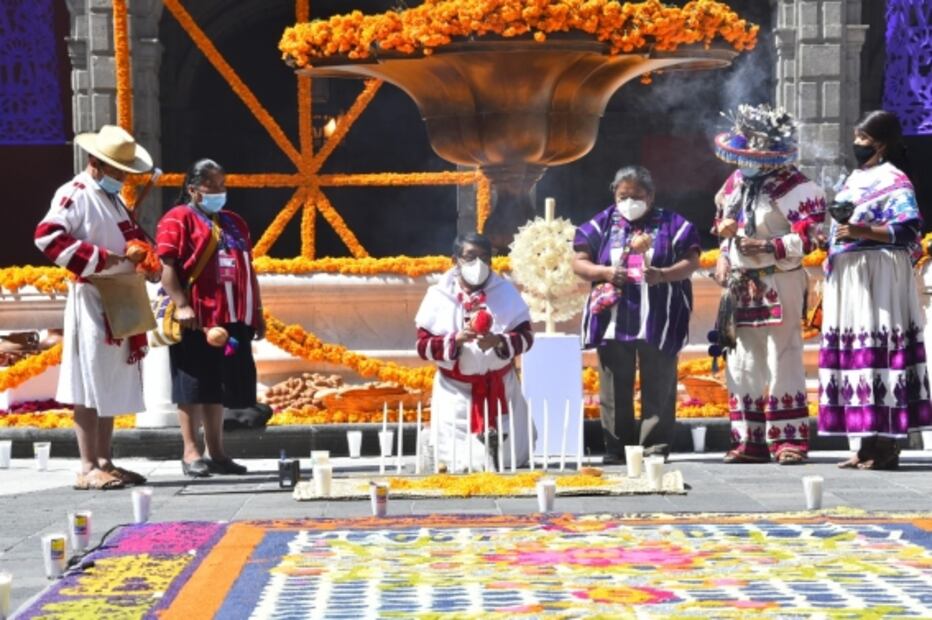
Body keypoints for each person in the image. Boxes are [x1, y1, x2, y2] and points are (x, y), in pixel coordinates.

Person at [34, 125, 154, 490]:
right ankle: (87, 466)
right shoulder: (75, 193)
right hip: (92, 298)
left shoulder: (113, 198)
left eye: (125, 172)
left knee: (111, 381)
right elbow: (47, 236)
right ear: (96, 163)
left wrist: (145, 257)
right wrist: (103, 259)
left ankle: (105, 460)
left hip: (119, 298)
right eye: (117, 171)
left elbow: (129, 238)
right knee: (88, 382)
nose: (121, 178)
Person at [712, 104, 826, 465]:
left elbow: (811, 240)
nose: (743, 160)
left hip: (780, 281)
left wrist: (767, 246)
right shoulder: (735, 183)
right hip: (741, 283)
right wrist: (723, 254)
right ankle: (749, 441)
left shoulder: (799, 188)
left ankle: (788, 440)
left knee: (784, 356)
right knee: (742, 359)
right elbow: (722, 222)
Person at [818, 110, 932, 470]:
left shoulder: (894, 179)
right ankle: (865, 443)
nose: (858, 144)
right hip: (851, 274)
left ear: (880, 144)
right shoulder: (854, 178)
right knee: (857, 355)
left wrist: (862, 232)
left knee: (880, 350)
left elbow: (909, 228)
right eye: (856, 136)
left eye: (864, 139)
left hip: (879, 273)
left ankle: (887, 447)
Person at [573, 165, 701, 464]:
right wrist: (603, 271)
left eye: (637, 196)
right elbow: (579, 261)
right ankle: (618, 449)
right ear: (614, 195)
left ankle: (654, 447)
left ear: (651, 195)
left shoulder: (673, 224)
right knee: (614, 386)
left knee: (659, 383)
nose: (630, 202)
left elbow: (692, 260)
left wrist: (663, 274)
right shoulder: (602, 223)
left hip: (659, 316)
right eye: (623, 196)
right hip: (613, 319)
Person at [156, 159, 264, 477]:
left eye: (222, 185)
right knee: (192, 384)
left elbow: (248, 268)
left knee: (218, 385)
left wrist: (256, 312)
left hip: (232, 316)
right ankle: (191, 453)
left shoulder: (234, 222)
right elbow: (167, 269)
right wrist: (182, 304)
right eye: (212, 186)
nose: (219, 192)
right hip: (197, 317)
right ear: (193, 190)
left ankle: (217, 453)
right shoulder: (177, 219)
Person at [415, 233, 533, 471]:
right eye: (470, 257)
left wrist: (499, 342)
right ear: (455, 260)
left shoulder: (506, 292)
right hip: (455, 394)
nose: (477, 264)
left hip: (500, 389)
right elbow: (423, 346)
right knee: (459, 463)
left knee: (507, 462)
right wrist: (455, 340)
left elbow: (526, 338)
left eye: (484, 257)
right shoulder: (438, 295)